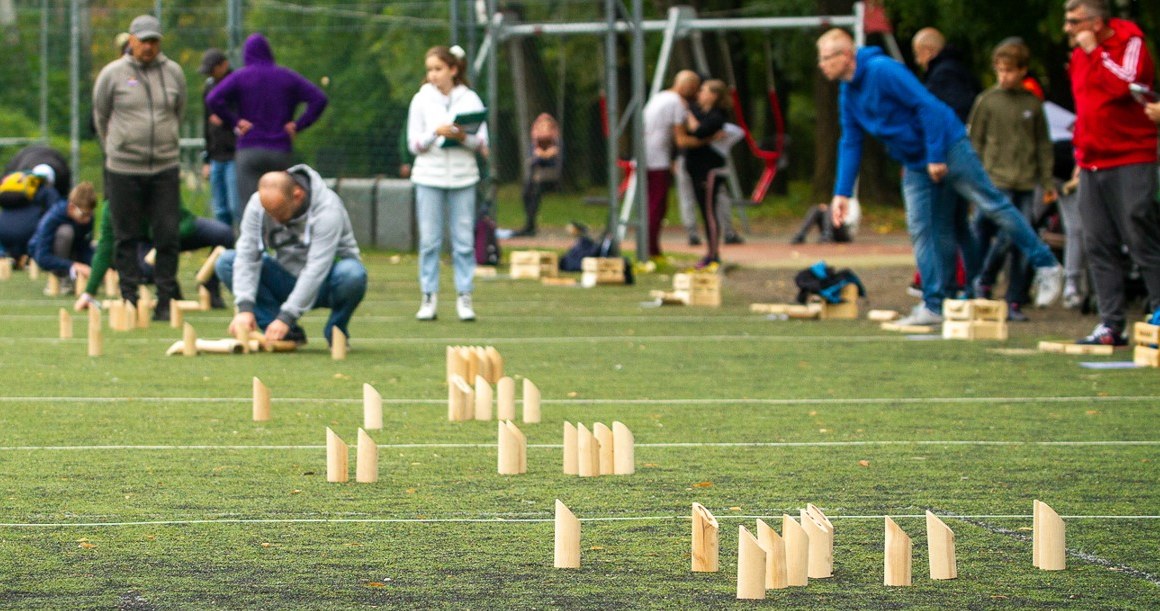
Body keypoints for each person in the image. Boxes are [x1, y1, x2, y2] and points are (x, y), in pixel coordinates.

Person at [817, 28, 1063, 327]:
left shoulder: (883, 71)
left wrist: (935, 155)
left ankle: (1046, 264)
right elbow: (850, 141)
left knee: (991, 205)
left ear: (846, 55)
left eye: (826, 57)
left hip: (947, 145)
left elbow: (927, 105)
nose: (822, 64)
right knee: (925, 228)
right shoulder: (848, 92)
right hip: (915, 162)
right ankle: (934, 305)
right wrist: (842, 193)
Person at [1063, 0, 1160, 345]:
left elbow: (1126, 85)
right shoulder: (1077, 56)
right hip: (1091, 161)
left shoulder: (1130, 43)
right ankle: (1110, 324)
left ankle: (1159, 312)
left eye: (1074, 21)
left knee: (1139, 233)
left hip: (1132, 155)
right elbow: (1087, 107)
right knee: (1097, 242)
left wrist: (1097, 52)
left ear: (1096, 22)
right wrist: (1079, 153)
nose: (1068, 29)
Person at [92, 14, 186, 320]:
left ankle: (165, 300)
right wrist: (115, 149)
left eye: (153, 41)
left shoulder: (174, 73)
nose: (148, 46)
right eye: (143, 40)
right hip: (123, 168)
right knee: (125, 235)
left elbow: (178, 111)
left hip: (164, 166)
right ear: (131, 40)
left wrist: (165, 142)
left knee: (167, 235)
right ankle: (129, 297)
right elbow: (101, 116)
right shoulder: (112, 74)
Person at [217, 167, 365, 346]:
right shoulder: (258, 204)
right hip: (285, 277)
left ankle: (336, 330)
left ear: (298, 195)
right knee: (227, 262)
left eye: (279, 212)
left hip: (326, 282)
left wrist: (286, 316)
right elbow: (247, 255)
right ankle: (285, 334)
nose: (274, 219)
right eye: (269, 213)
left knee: (353, 273)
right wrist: (245, 307)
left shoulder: (328, 209)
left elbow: (317, 268)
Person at [967, 39, 1056, 322]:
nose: (1003, 76)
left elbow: (1043, 144)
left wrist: (1047, 181)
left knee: (1018, 238)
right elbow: (974, 142)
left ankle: (1014, 298)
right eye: (999, 70)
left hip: (1026, 182)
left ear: (1023, 71)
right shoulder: (987, 101)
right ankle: (979, 286)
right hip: (993, 181)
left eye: (1009, 71)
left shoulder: (1033, 104)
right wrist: (973, 179)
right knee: (986, 233)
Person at [407, 45, 488, 322]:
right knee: (430, 240)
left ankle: (464, 296)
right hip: (429, 176)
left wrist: (462, 136)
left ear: (453, 70)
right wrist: (435, 133)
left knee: (463, 240)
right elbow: (414, 143)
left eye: (438, 69)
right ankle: (428, 296)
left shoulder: (471, 100)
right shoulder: (421, 100)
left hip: (463, 177)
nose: (433, 75)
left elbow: (482, 143)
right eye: (429, 69)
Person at [205, 33, 329, 208]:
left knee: (251, 208)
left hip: (249, 149)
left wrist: (235, 122)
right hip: (279, 150)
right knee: (280, 206)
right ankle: (279, 234)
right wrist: (298, 125)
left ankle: (253, 236)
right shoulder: (286, 76)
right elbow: (319, 99)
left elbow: (213, 99)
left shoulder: (241, 77)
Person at [913, 27, 981, 297]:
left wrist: (936, 155)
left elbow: (941, 119)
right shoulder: (960, 72)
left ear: (927, 51)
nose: (918, 62)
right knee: (960, 225)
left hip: (948, 159)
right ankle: (975, 283)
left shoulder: (943, 76)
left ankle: (949, 287)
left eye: (918, 55)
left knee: (942, 224)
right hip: (962, 155)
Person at [73, 201, 235, 312]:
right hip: (149, 242)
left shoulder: (161, 188)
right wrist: (89, 292)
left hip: (179, 231)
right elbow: (104, 249)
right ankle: (172, 292)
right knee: (146, 268)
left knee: (225, 234)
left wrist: (168, 239)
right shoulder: (113, 207)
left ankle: (210, 286)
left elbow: (185, 219)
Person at [642, 70, 701, 260]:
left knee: (651, 203)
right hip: (657, 158)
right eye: (694, 88)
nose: (696, 93)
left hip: (645, 155)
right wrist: (708, 139)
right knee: (657, 205)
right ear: (687, 86)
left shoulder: (660, 97)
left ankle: (649, 247)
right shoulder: (676, 102)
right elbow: (681, 139)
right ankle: (651, 248)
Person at [675, 79, 732, 269]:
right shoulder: (702, 112)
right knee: (704, 209)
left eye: (704, 91)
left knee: (709, 211)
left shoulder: (717, 116)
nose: (699, 93)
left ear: (714, 95)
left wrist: (688, 114)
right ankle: (711, 251)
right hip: (696, 168)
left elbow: (698, 131)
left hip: (709, 170)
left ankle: (713, 253)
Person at [29, 182, 97, 295]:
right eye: (84, 214)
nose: (87, 219)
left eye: (90, 214)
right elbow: (42, 257)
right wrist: (72, 266)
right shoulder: (53, 218)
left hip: (72, 253)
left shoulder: (87, 218)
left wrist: (95, 268)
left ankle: (72, 276)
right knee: (65, 232)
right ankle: (61, 277)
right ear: (71, 208)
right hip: (47, 254)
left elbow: (85, 247)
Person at [199, 48, 240, 230]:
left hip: (235, 155)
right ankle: (223, 245)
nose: (209, 74)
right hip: (216, 156)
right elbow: (206, 125)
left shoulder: (238, 86)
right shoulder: (209, 88)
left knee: (236, 206)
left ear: (223, 65)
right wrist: (207, 159)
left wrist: (226, 120)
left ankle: (243, 247)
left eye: (212, 69)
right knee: (220, 208)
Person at [0, 162, 58, 263]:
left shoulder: (19, 190)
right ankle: (32, 257)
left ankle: (6, 255)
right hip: (29, 233)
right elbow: (55, 212)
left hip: (3, 231)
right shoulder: (47, 191)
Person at [514, 113, 561, 237]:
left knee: (535, 190)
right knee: (526, 192)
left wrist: (542, 155)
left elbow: (554, 160)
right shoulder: (535, 142)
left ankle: (529, 226)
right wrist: (545, 155)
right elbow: (533, 160)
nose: (543, 129)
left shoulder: (556, 141)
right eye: (540, 126)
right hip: (536, 176)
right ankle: (530, 224)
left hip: (550, 176)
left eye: (546, 126)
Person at [791, 198, 861, 244]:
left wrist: (833, 211)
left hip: (845, 232)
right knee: (817, 209)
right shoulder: (837, 200)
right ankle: (801, 235)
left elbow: (849, 222)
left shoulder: (853, 202)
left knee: (829, 210)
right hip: (833, 226)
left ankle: (827, 235)